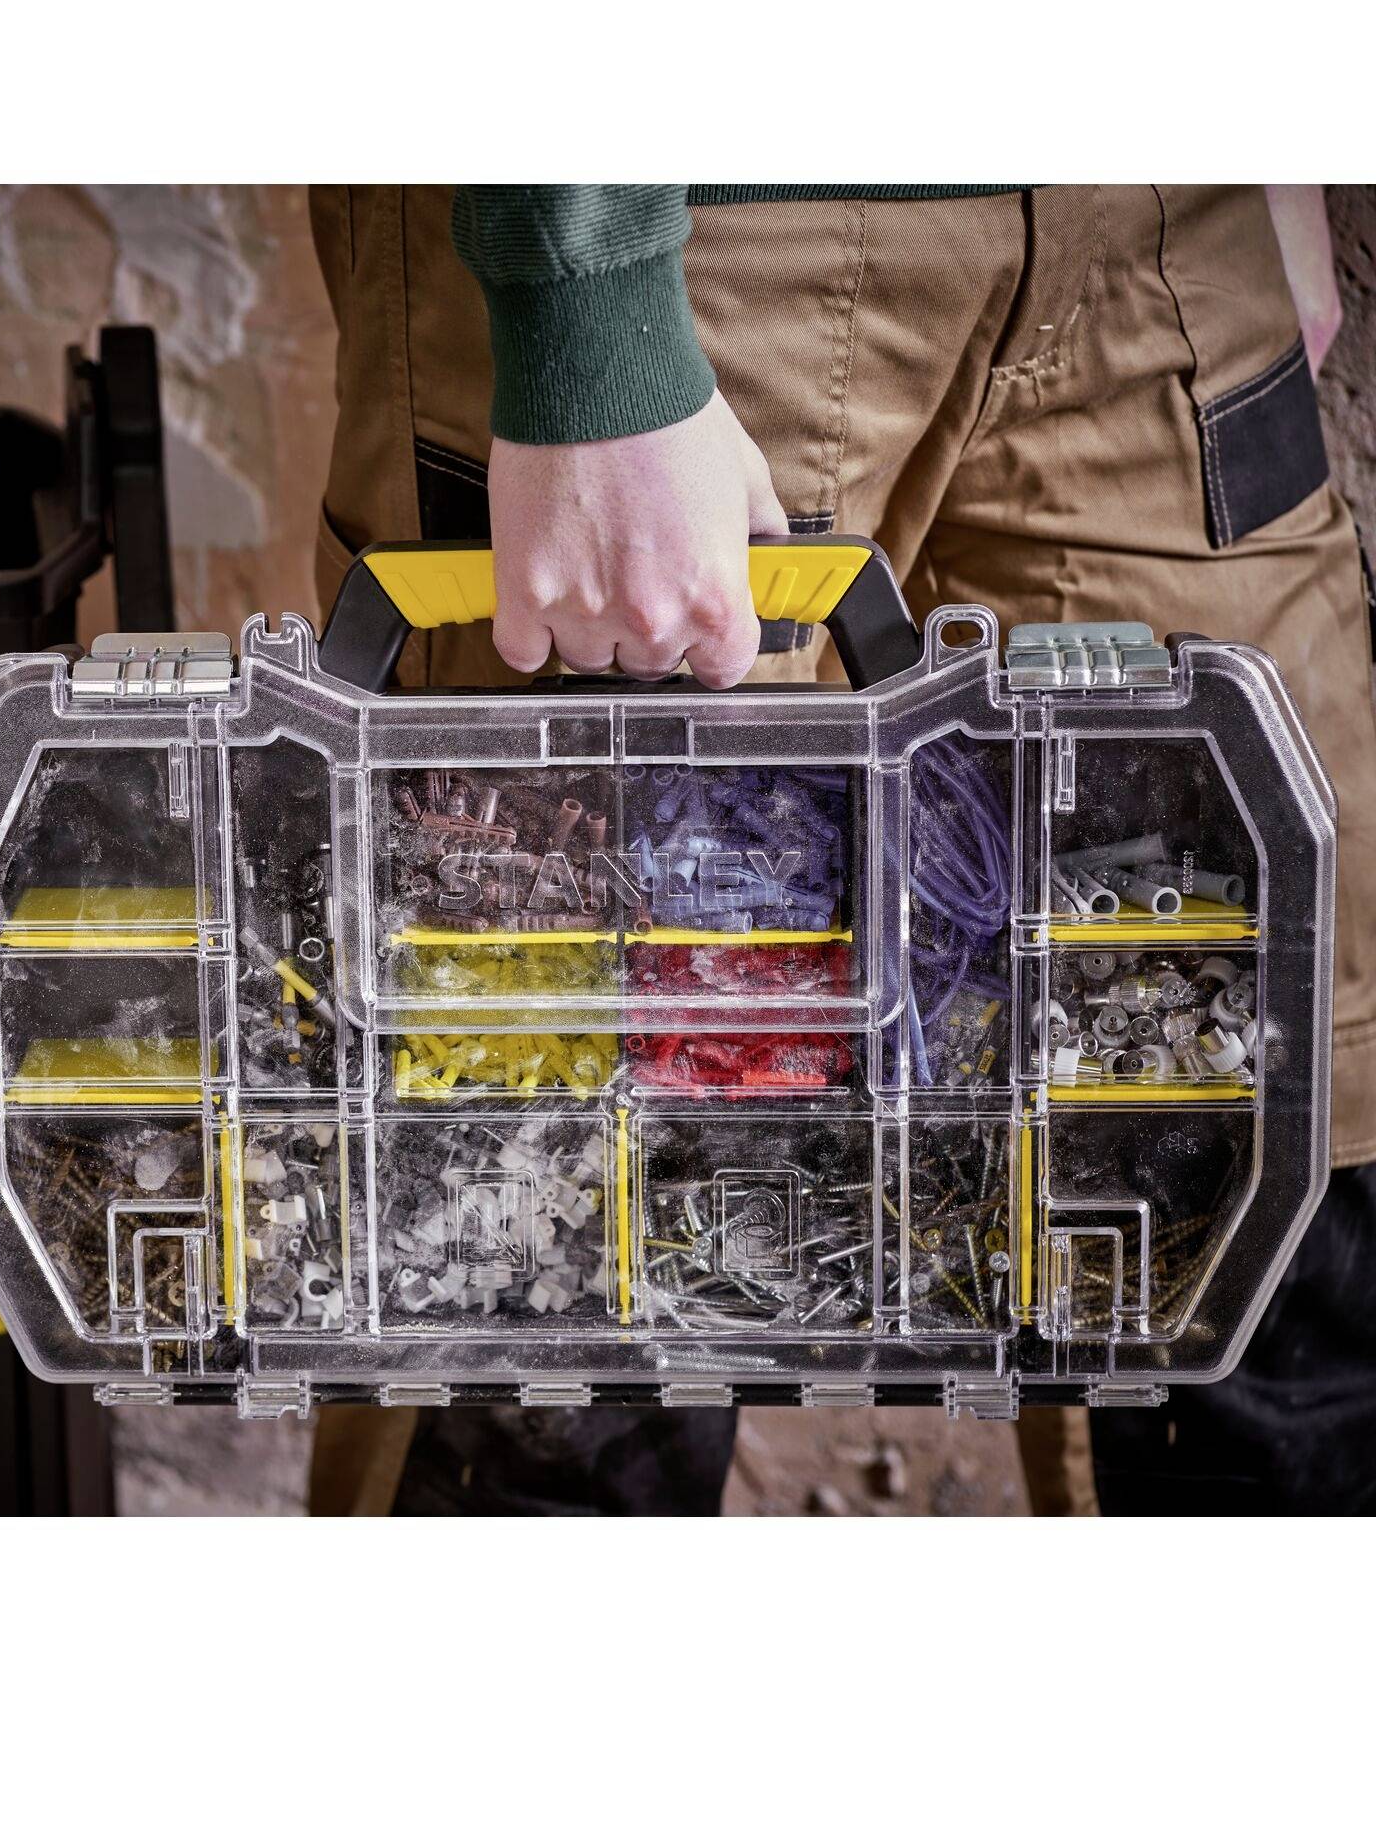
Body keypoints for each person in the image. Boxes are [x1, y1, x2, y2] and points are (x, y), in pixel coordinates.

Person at [304, 184, 1376, 1517]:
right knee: (544, 1218)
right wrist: (589, 310)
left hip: (1157, 229)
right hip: (709, 254)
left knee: (1260, 1121)